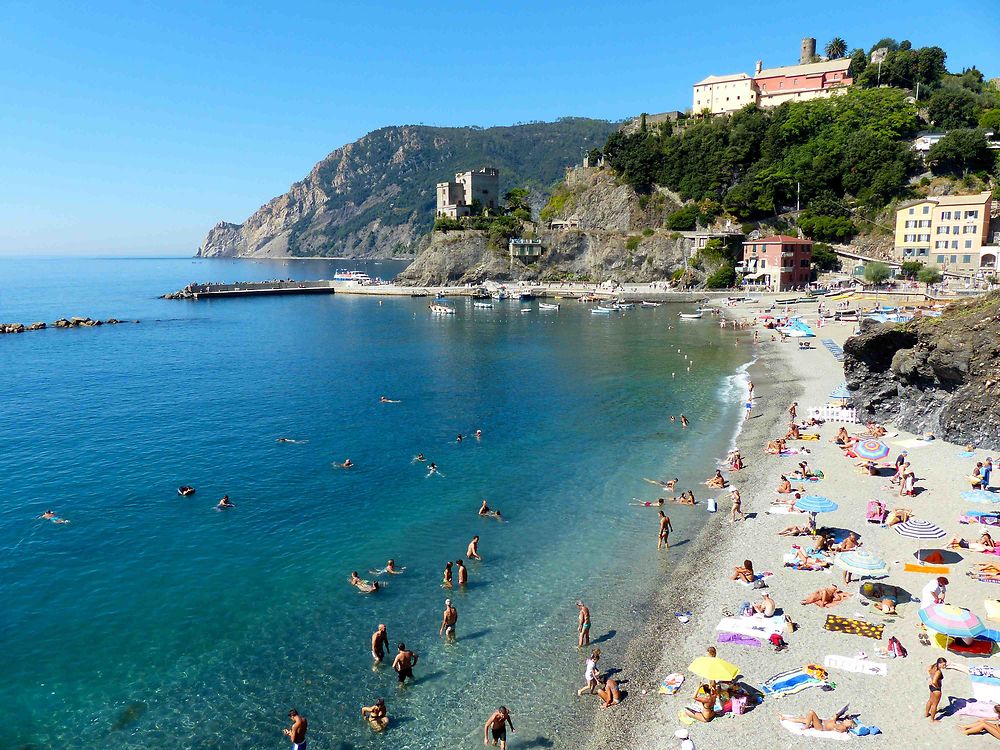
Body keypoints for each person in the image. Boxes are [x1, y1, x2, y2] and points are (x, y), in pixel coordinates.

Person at [778, 710, 855, 733]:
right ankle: (784, 718)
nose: (846, 720)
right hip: (821, 722)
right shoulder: (842, 724)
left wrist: (834, 718)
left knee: (811, 713)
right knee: (803, 719)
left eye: (848, 720)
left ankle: (806, 727)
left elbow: (834, 726)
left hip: (821, 726)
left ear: (849, 725)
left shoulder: (842, 728)